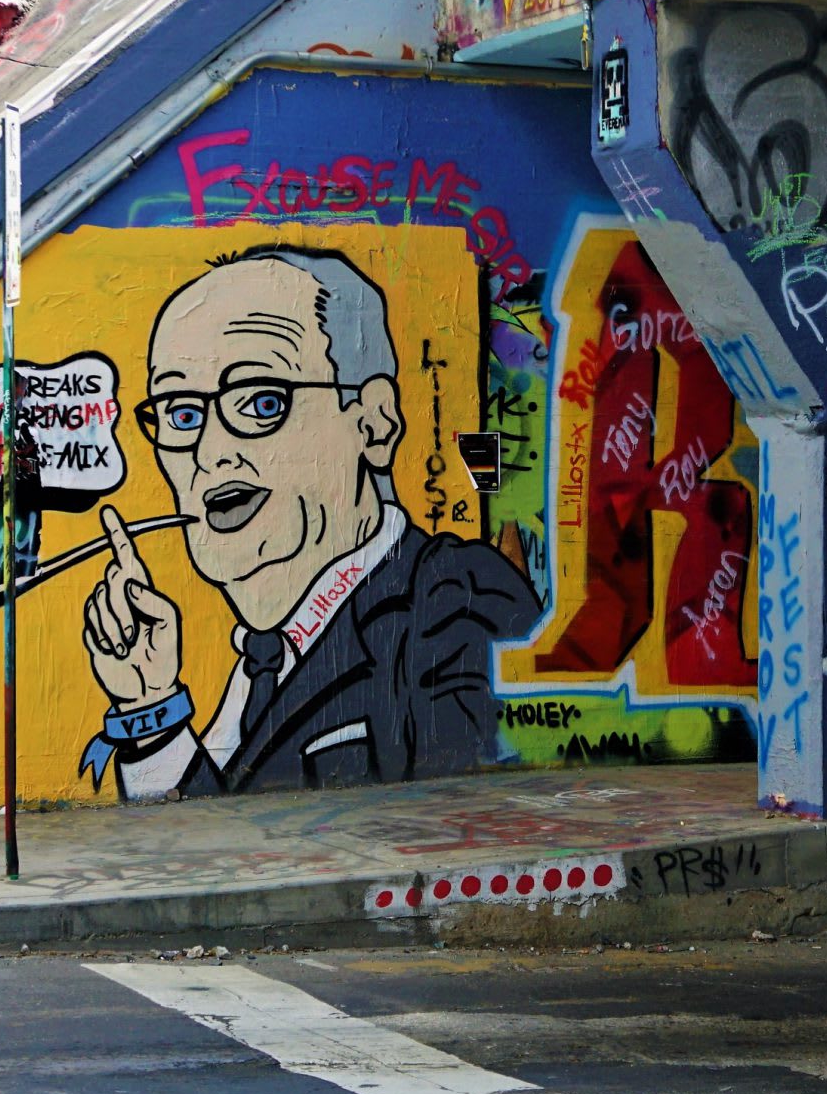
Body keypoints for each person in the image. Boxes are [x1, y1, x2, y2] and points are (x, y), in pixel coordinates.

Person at [79, 247, 536, 798]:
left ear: (373, 424)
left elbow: (470, 823)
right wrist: (151, 703)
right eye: (182, 412)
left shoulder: (456, 608)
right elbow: (216, 851)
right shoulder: (257, 668)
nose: (210, 451)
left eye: (262, 402)